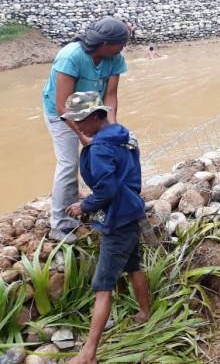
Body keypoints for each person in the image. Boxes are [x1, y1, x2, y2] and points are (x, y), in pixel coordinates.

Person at [60, 91, 150, 364]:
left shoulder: (100, 148)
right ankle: (145, 312)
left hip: (118, 219)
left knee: (103, 286)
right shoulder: (122, 135)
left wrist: (83, 206)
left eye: (80, 121)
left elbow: (107, 189)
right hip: (133, 209)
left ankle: (88, 354)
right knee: (134, 265)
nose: (78, 126)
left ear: (95, 117)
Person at [41, 16, 129, 244]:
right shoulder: (71, 57)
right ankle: (60, 223)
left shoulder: (114, 58)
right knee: (69, 163)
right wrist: (81, 135)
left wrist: (112, 130)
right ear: (105, 44)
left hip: (93, 113)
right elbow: (62, 106)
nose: (123, 48)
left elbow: (110, 96)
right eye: (121, 43)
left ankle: (98, 204)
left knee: (109, 153)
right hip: (61, 113)